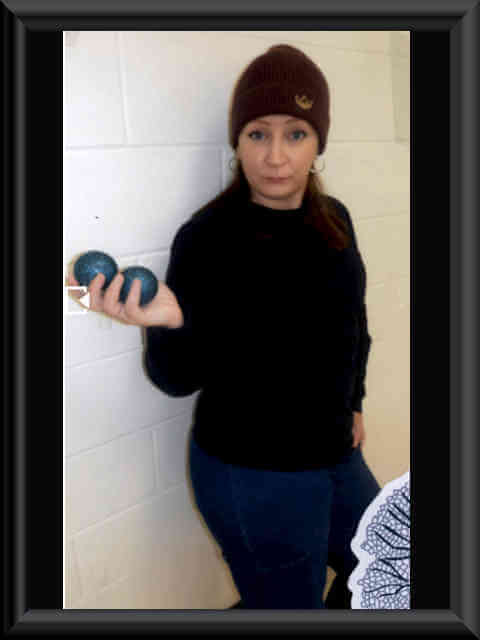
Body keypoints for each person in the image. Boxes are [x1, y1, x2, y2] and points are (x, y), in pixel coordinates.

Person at [67, 43, 381, 609]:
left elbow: (352, 326)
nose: (276, 156)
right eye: (258, 134)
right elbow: (175, 378)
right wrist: (168, 323)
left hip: (336, 453)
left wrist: (354, 402)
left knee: (391, 567)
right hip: (253, 474)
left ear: (318, 142)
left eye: (296, 134)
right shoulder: (208, 237)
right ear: (238, 141)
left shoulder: (335, 220)